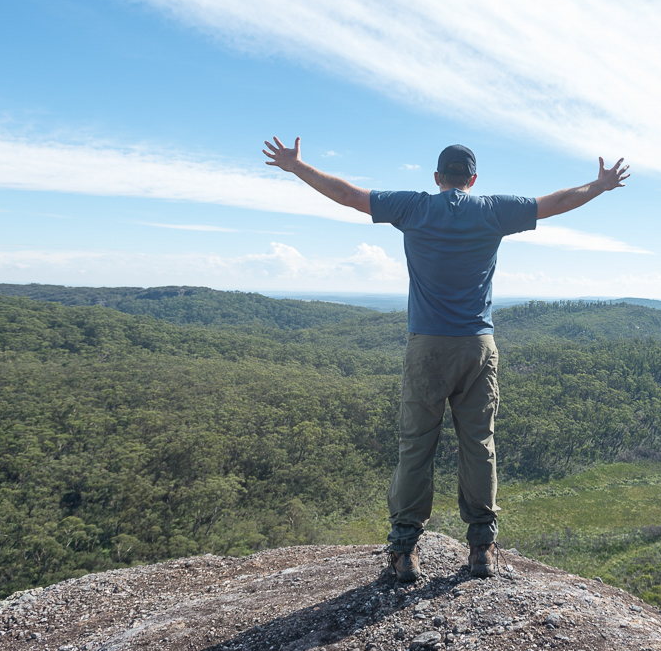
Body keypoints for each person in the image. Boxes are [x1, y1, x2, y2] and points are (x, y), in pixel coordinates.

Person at [263, 137, 629, 581]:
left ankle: (404, 550)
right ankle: (481, 548)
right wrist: (599, 185)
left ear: (437, 177)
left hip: (427, 347)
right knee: (478, 444)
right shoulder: (493, 210)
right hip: (477, 345)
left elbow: (347, 195)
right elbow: (556, 202)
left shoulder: (413, 207)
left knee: (416, 445)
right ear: (473, 179)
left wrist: (298, 167)